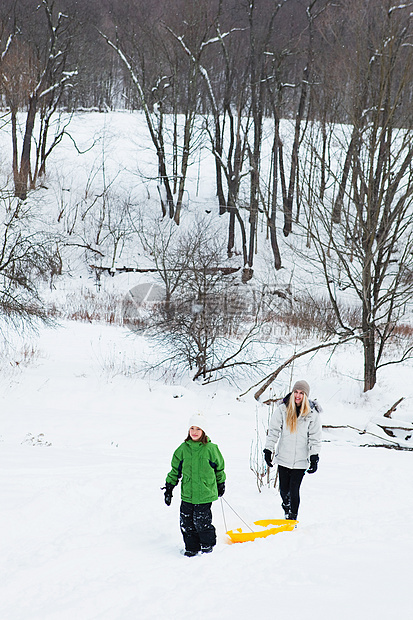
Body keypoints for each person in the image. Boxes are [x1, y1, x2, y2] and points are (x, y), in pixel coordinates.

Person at [163, 412, 226, 557]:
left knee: (202, 523)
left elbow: (219, 468)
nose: (194, 432)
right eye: (192, 428)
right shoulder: (183, 449)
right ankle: (191, 547)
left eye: (198, 429)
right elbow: (175, 470)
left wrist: (221, 483)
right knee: (186, 523)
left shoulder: (211, 449)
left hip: (205, 494)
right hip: (188, 494)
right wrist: (169, 488)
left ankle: (207, 546)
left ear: (204, 431)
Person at [263, 380, 322, 521]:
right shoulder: (283, 410)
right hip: (284, 457)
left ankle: (292, 519)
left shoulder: (312, 414)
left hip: (301, 460)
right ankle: (286, 507)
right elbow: (273, 431)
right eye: (296, 392)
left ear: (306, 396)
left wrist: (314, 457)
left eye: (301, 393)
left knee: (294, 489)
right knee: (284, 490)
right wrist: (268, 450)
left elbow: (315, 438)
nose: (298, 395)